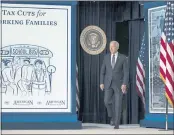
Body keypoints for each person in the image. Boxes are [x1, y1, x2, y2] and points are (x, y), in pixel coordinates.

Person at [100, 41, 129, 129]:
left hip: (119, 84)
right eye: (110, 47)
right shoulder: (106, 57)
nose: (111, 48)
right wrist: (101, 82)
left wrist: (124, 83)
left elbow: (126, 72)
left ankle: (116, 124)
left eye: (113, 47)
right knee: (106, 101)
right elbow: (102, 71)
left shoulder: (123, 58)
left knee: (118, 104)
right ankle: (112, 116)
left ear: (117, 47)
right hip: (108, 83)